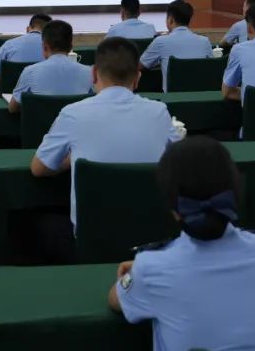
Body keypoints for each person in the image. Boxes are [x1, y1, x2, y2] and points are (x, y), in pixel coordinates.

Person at [108, 137, 255, 351]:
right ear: (235, 193)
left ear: (174, 211)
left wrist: (140, 273)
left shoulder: (151, 268)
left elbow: (115, 299)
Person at [32, 37, 179, 231]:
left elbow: (39, 168)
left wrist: (72, 158)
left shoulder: (73, 113)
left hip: (93, 237)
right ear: (137, 78)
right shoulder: (160, 112)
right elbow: (178, 159)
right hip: (153, 234)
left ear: (93, 74)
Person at [9, 20, 93, 112]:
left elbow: (13, 108)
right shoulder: (89, 73)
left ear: (44, 47)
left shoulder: (29, 72)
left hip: (40, 121)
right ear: (70, 47)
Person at [140, 0, 213, 92]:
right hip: (201, 96)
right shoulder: (205, 41)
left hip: (172, 98)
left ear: (170, 20)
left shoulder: (160, 41)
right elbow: (210, 67)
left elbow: (141, 65)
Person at [0, 13, 51, 86]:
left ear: (27, 29)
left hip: (12, 91)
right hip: (45, 91)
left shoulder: (10, 44)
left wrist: (5, 85)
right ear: (50, 31)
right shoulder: (53, 48)